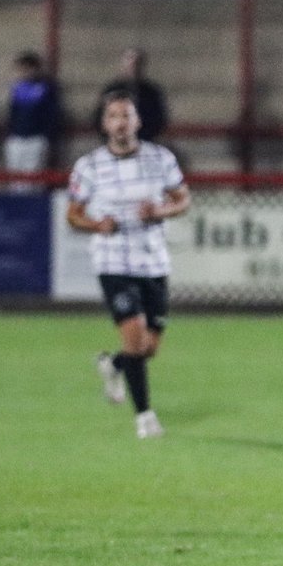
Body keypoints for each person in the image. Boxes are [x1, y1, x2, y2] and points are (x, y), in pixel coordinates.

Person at [67, 90, 191, 439]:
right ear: (105, 125)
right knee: (135, 338)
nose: (121, 123)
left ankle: (114, 365)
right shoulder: (89, 166)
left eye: (126, 116)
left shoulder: (160, 158)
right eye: (114, 117)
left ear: (137, 121)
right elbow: (73, 215)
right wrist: (97, 225)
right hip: (113, 261)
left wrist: (160, 211)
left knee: (148, 348)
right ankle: (145, 418)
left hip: (153, 261)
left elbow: (183, 200)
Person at [4, 51, 62, 189]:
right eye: (21, 69)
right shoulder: (17, 88)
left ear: (35, 68)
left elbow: (51, 115)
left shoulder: (46, 88)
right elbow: (12, 113)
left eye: (26, 68)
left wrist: (47, 136)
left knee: (34, 180)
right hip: (17, 138)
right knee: (15, 180)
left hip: (36, 139)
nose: (23, 72)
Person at [94, 48, 168, 142]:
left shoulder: (151, 92)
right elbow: (98, 117)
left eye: (136, 63)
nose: (133, 66)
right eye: (129, 62)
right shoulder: (111, 90)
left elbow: (159, 119)